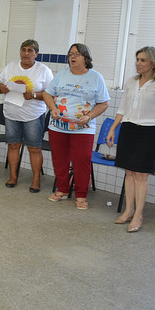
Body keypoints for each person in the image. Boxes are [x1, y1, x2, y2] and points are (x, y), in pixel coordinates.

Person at [107, 47, 155, 232]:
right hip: (128, 130)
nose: (138, 63)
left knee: (141, 175)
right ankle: (128, 210)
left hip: (148, 133)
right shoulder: (131, 82)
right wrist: (112, 129)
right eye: (137, 59)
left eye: (143, 60)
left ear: (153, 63)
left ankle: (139, 215)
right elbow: (122, 109)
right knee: (129, 173)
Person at [42, 43, 109, 210]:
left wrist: (88, 116)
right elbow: (47, 93)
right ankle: (63, 189)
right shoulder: (62, 74)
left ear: (86, 57)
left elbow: (103, 103)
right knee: (60, 159)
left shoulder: (95, 77)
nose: (73, 56)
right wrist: (53, 108)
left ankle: (81, 195)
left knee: (82, 161)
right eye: (71, 53)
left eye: (77, 54)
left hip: (83, 129)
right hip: (58, 126)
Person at [0, 40, 53, 192]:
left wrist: (34, 95)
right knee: (13, 145)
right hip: (11, 114)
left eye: (30, 50)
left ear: (36, 54)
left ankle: (36, 180)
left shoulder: (43, 70)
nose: (26, 53)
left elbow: (50, 94)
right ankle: (13, 177)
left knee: (34, 148)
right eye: (23, 50)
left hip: (33, 115)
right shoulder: (11, 66)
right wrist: (2, 88)